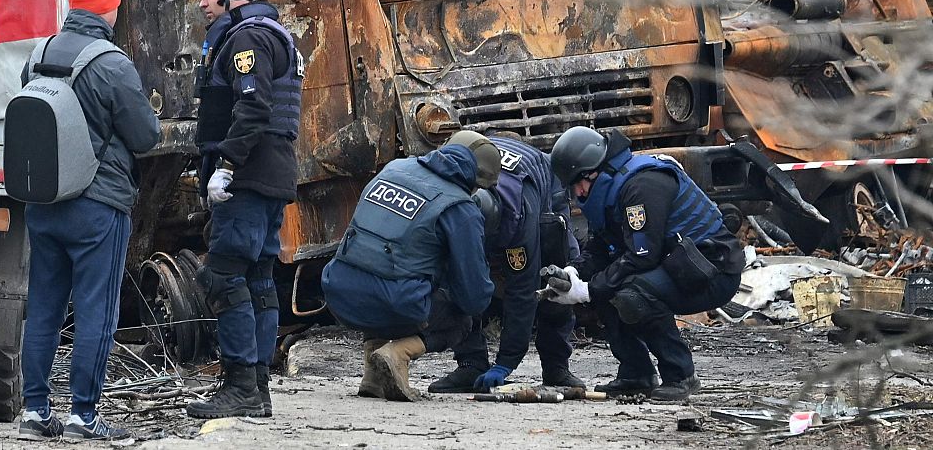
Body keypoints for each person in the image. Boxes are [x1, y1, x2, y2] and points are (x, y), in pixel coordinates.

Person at [17, 0, 161, 441]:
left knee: (43, 308)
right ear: (108, 12)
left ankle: (35, 412)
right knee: (97, 309)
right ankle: (83, 416)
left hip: (44, 201)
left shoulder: (38, 55)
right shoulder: (112, 64)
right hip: (98, 205)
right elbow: (145, 136)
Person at [184, 0, 303, 420]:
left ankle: (240, 386)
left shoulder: (245, 39)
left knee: (224, 274)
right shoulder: (274, 33)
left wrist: (227, 165)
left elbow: (252, 107)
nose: (202, 4)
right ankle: (257, 387)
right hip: (272, 172)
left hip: (248, 177)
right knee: (258, 279)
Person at [546, 126, 745, 402]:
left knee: (631, 293)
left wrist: (588, 290)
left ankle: (681, 375)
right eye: (572, 185)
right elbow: (603, 247)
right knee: (608, 287)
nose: (578, 192)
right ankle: (636, 374)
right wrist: (573, 273)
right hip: (679, 266)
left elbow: (642, 256)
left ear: (597, 170)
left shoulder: (641, 186)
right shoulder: (610, 190)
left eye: (580, 181)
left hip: (713, 269)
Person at [319, 132, 500, 401]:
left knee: (383, 270)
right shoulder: (461, 208)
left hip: (338, 294)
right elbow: (474, 297)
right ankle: (398, 352)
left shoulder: (394, 168)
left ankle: (373, 372)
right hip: (392, 302)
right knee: (461, 318)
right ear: (477, 181)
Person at [428, 136, 583, 394]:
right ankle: (471, 363)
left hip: (541, 188)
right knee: (456, 277)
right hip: (483, 160)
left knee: (555, 278)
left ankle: (556, 366)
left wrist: (506, 362)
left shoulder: (521, 215)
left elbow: (523, 290)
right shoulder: (450, 200)